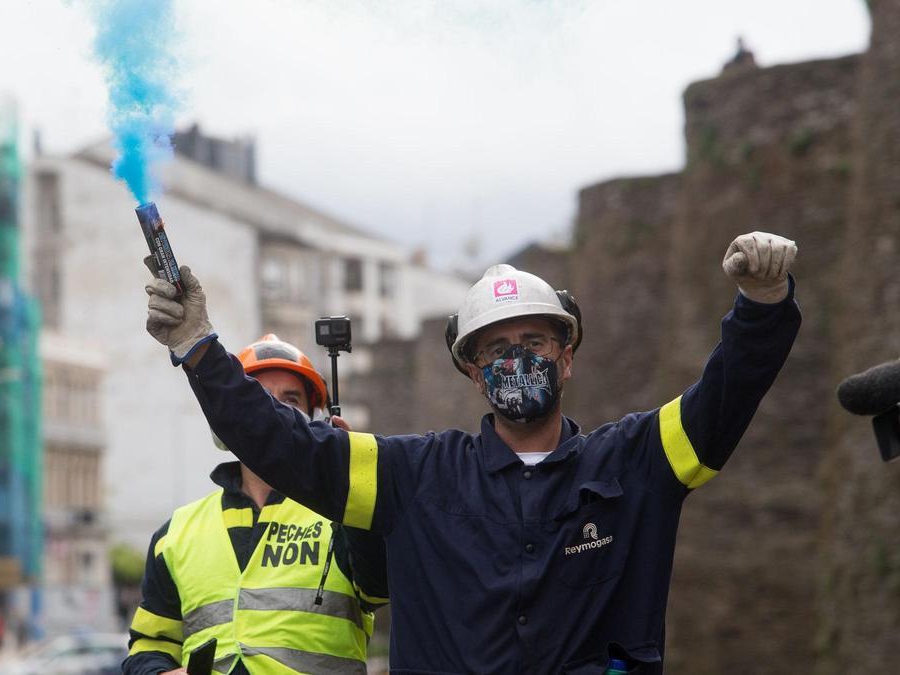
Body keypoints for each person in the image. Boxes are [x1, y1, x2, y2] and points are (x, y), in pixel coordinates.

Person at [143, 231, 801, 673]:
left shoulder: (635, 460)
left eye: (535, 341)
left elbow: (726, 397)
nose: (517, 358)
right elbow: (280, 443)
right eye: (495, 348)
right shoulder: (410, 475)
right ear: (472, 370)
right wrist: (199, 344)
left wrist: (762, 306)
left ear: (567, 355)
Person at [123, 334, 388, 675]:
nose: (274, 412)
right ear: (228, 418)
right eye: (259, 399)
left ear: (315, 420)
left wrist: (350, 482)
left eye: (289, 400)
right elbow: (148, 647)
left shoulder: (343, 513)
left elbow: (379, 588)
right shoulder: (174, 535)